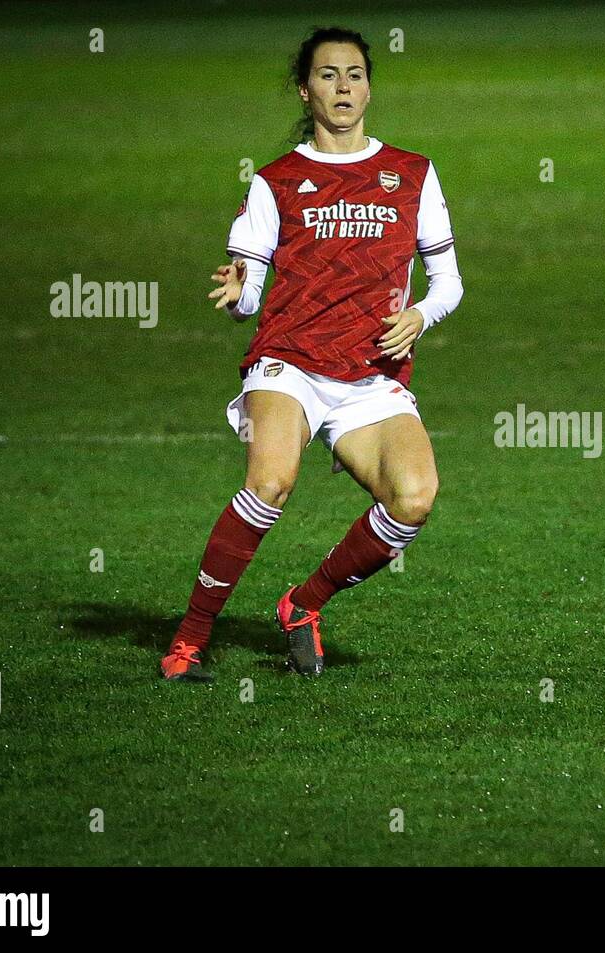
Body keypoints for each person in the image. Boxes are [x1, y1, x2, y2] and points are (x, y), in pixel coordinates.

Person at [160, 26, 463, 681]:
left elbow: (449, 283)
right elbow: (247, 301)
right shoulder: (277, 182)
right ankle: (187, 643)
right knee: (270, 481)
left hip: (370, 374)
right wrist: (242, 291)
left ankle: (304, 604)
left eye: (354, 74)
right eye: (328, 75)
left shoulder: (411, 174)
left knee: (414, 497)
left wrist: (418, 314)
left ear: (369, 86)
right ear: (306, 89)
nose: (344, 86)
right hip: (290, 362)